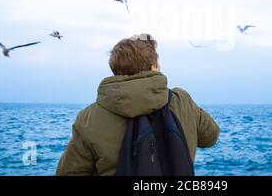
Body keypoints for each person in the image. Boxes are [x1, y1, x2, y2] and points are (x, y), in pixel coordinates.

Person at [56, 34, 220, 176]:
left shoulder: (89, 117)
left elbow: (69, 172)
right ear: (154, 67)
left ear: (115, 69)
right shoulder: (181, 100)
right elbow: (211, 137)